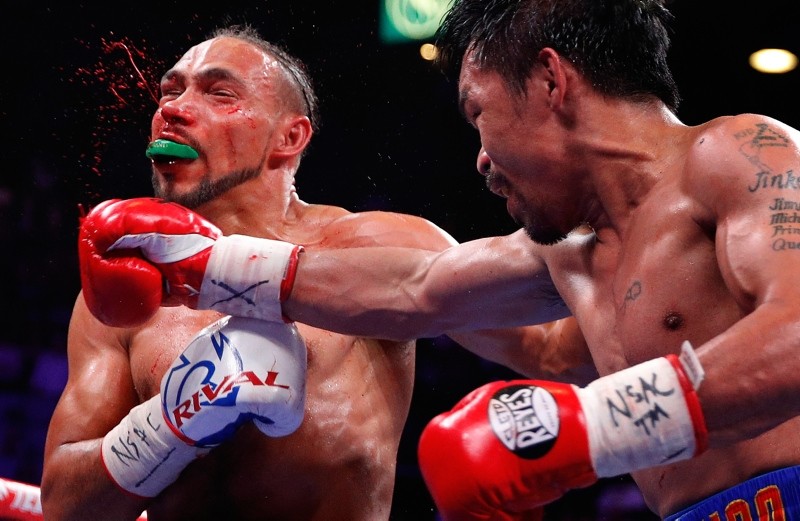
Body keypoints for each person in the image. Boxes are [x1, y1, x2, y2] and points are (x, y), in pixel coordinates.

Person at [74, 0, 800, 519]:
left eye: (478, 113)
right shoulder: (574, 250)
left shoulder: (740, 151)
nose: (480, 157)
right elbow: (420, 285)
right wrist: (207, 266)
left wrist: (586, 429)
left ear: (550, 81)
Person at [43, 24, 591, 521]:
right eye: (170, 91)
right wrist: (171, 423)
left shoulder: (378, 245)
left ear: (290, 138)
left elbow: (556, 349)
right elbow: (64, 503)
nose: (175, 109)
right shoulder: (129, 288)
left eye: (219, 93)